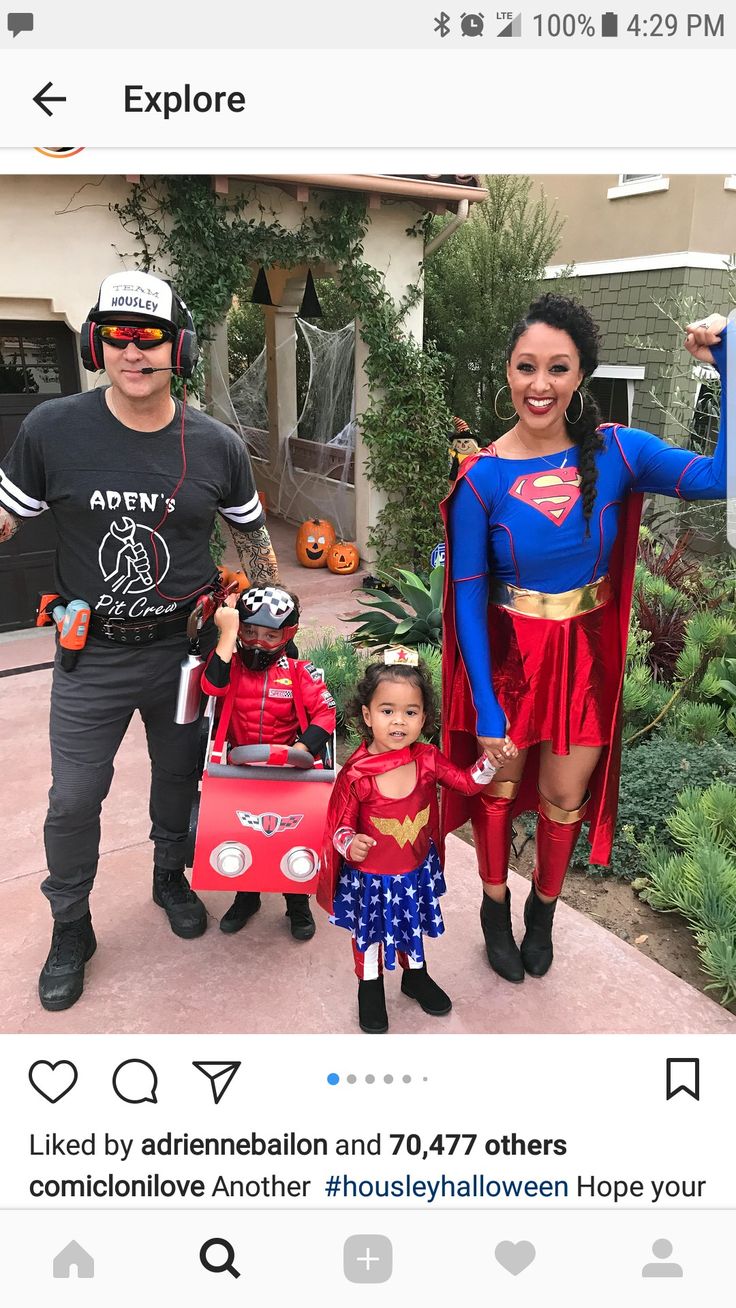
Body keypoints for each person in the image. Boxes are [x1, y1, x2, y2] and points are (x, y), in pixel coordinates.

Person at [0, 269, 283, 1011]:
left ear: (176, 349)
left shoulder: (217, 446)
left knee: (177, 780)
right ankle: (71, 925)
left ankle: (169, 876)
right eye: (117, 336)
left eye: (149, 337)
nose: (133, 351)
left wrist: (273, 629)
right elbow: (8, 517)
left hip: (182, 654)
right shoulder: (50, 430)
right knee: (73, 799)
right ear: (95, 342)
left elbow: (254, 541)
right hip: (89, 656)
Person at [441, 294, 729, 984]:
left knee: (562, 800)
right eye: (526, 366)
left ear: (580, 376)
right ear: (507, 373)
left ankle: (542, 910)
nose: (540, 384)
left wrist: (729, 361)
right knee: (499, 795)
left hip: (584, 669)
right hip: (508, 664)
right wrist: (484, 707)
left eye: (558, 368)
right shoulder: (481, 478)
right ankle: (492, 904)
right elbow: (469, 595)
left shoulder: (621, 451)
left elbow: (722, 476)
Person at [317, 651, 511, 1033]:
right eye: (387, 711)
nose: (399, 722)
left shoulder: (427, 759)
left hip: (412, 872)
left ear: (424, 718)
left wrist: (492, 761)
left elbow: (467, 783)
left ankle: (415, 976)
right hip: (371, 879)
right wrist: (348, 843)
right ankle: (369, 988)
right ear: (368, 715)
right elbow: (337, 826)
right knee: (369, 936)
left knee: (412, 926)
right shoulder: (357, 774)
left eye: (411, 712)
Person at [200, 584, 337, 940]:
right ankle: (246, 897)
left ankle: (297, 903)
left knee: (295, 837)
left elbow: (326, 713)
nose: (258, 642)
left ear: (286, 635)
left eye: (270, 634)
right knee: (241, 835)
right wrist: (227, 634)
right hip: (239, 769)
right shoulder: (230, 669)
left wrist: (306, 748)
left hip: (289, 771)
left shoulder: (298, 673)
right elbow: (212, 688)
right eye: (249, 631)